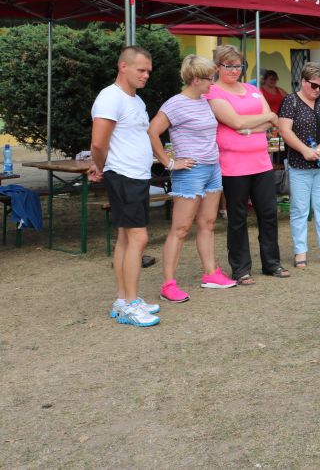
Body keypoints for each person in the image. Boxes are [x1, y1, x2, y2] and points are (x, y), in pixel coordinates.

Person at [147, 55, 237, 303]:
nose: (213, 83)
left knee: (208, 223)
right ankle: (168, 284)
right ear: (196, 80)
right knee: (180, 228)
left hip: (212, 168)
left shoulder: (205, 101)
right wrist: (169, 162)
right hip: (190, 172)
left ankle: (210, 274)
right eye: (210, 78)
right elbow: (152, 131)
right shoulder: (175, 104)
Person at [206, 44, 288, 285]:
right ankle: (241, 268)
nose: (234, 70)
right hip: (233, 165)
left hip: (261, 162)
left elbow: (270, 120)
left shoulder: (252, 89)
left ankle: (271, 263)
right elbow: (235, 121)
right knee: (238, 217)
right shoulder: (213, 92)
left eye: (238, 66)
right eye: (228, 66)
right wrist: (260, 120)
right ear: (217, 67)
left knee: (268, 213)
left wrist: (250, 126)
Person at [90, 46, 160, 327]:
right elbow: (98, 143)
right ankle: (130, 304)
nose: (146, 75)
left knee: (125, 238)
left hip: (136, 176)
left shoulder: (136, 100)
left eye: (148, 71)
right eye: (141, 70)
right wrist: (100, 166)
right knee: (139, 239)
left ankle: (123, 300)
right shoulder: (110, 98)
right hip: (123, 176)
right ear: (123, 67)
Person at [278, 62, 320, 267]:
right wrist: (304, 150)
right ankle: (300, 251)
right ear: (303, 81)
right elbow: (284, 131)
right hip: (299, 165)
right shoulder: (290, 102)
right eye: (314, 85)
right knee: (300, 209)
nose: (317, 90)